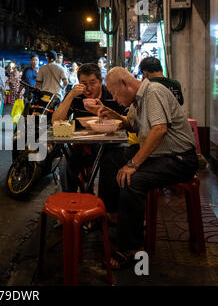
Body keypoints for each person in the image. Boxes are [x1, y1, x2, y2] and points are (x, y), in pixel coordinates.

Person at [98, 67, 198, 269]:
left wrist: (133, 165)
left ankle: (131, 248)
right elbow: (131, 124)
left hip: (180, 159)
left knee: (132, 180)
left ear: (125, 84)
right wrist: (112, 114)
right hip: (161, 157)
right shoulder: (137, 101)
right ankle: (116, 217)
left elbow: (159, 129)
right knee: (113, 161)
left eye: (115, 93)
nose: (115, 99)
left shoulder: (153, 91)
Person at [52, 63, 126, 193]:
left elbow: (126, 121)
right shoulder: (77, 97)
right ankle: (71, 199)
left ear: (101, 81)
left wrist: (105, 112)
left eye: (93, 83)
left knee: (109, 163)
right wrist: (70, 96)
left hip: (108, 145)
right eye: (83, 83)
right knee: (65, 164)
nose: (88, 88)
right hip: (81, 145)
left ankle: (105, 204)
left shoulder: (111, 95)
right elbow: (56, 121)